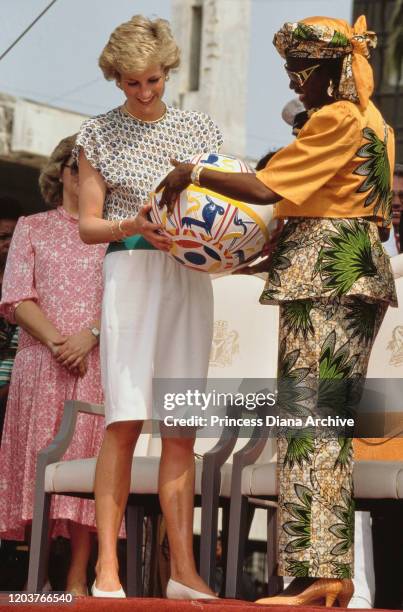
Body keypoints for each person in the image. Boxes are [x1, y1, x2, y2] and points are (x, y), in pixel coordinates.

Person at [158, 15, 397, 607]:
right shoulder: (376, 124)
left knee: (313, 424)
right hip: (343, 270)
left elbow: (266, 188)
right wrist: (259, 261)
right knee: (321, 424)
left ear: (336, 68)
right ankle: (323, 577)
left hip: (328, 279)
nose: (295, 82)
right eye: (292, 70)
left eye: (304, 70)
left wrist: (194, 172)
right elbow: (331, 211)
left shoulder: (339, 117)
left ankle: (320, 576)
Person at [76, 15, 222, 599]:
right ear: (116, 79)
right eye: (132, 82)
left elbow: (220, 204)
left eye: (154, 80)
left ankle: (182, 572)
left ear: (168, 71)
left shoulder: (200, 129)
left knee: (181, 425)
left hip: (189, 274)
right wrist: (130, 223)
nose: (144, 91)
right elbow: (88, 225)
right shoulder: (96, 134)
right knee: (125, 422)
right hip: (130, 271)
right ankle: (105, 568)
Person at [0, 135, 106, 595]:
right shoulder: (32, 226)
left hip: (96, 362)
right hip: (42, 364)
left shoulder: (115, 233)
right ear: (62, 171)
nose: (88, 178)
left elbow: (126, 301)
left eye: (98, 171)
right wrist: (61, 342)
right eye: (80, 168)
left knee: (89, 469)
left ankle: (78, 578)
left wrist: (90, 337)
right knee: (38, 472)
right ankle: (34, 576)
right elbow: (15, 296)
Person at [0, 197, 22, 440]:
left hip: (17, 394)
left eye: (13, 238)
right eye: (2, 238)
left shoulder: (33, 287)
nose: (9, 244)